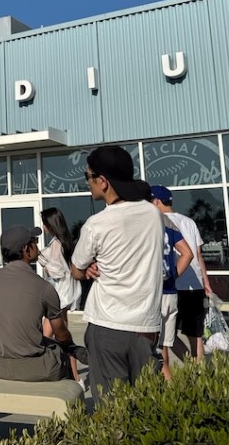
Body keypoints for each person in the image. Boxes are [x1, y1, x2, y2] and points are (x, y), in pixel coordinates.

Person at [71, 146, 163, 399]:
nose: (87, 183)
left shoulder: (97, 224)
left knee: (112, 410)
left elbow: (76, 270)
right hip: (147, 325)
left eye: (88, 177)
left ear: (102, 181)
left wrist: (88, 268)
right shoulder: (153, 214)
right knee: (147, 406)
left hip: (108, 324)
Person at [0, 225, 77, 382]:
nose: (37, 246)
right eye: (35, 241)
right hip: (31, 367)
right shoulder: (43, 287)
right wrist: (72, 347)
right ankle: (72, 395)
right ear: (26, 249)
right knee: (64, 353)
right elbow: (61, 334)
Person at [150, 185, 213, 361]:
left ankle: (184, 366)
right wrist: (206, 283)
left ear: (156, 201)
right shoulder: (189, 221)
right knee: (195, 335)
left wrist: (172, 275)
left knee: (165, 337)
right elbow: (198, 255)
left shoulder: (159, 222)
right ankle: (197, 371)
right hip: (195, 287)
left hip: (173, 286)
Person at [142, 182, 194, 380]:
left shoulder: (146, 223)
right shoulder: (169, 223)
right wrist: (173, 274)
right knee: (163, 347)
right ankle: (169, 387)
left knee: (146, 346)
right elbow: (187, 253)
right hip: (170, 291)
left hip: (152, 293)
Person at [37, 207, 83, 383]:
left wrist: (44, 263)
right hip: (66, 296)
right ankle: (74, 376)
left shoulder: (57, 244)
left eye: (45, 223)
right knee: (64, 338)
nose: (43, 226)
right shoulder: (67, 242)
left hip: (58, 297)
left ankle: (47, 371)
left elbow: (57, 271)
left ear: (51, 224)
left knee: (45, 337)